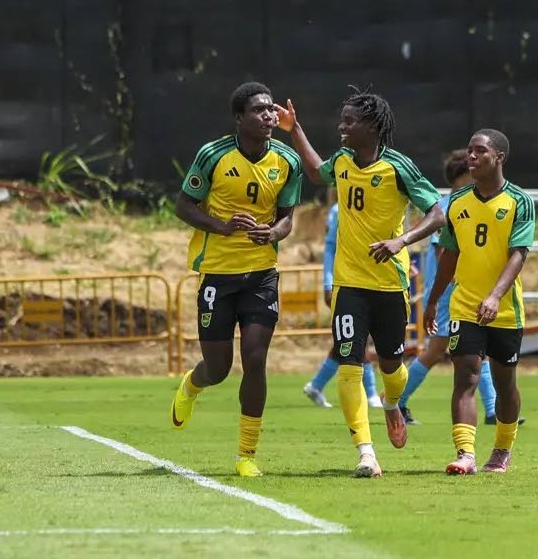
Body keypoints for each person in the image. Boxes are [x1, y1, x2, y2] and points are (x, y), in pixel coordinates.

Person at [276, 90, 445, 478]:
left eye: (349, 121)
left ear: (371, 126)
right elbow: (318, 171)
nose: (342, 126)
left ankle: (390, 404)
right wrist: (295, 129)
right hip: (349, 283)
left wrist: (400, 241)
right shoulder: (343, 162)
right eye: (342, 119)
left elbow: (437, 214)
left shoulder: (398, 167)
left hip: (390, 285)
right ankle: (366, 453)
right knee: (349, 361)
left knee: (391, 366)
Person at [170, 82, 302, 478]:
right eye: (259, 110)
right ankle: (192, 385)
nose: (268, 117)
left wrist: (274, 234)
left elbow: (287, 218)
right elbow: (183, 206)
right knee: (219, 367)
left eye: (271, 110)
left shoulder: (288, 161)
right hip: (218, 274)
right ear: (239, 118)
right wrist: (221, 227)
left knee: (256, 360)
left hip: (261, 275)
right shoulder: (213, 155)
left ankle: (247, 453)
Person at [424, 129, 534, 475]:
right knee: (466, 378)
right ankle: (466, 454)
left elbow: (518, 255)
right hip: (464, 307)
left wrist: (495, 295)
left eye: (479, 151)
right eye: (469, 151)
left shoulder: (519, 201)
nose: (471, 157)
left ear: (498, 157)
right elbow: (449, 256)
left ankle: (502, 450)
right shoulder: (456, 203)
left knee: (505, 384)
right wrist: (432, 301)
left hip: (504, 311)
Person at [399, 150, 498, 426]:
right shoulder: (447, 206)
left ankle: (492, 410)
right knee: (435, 351)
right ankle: (396, 401)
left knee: (480, 348)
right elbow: (444, 251)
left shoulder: (471, 202)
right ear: (459, 177)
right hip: (446, 294)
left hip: (464, 290)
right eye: (470, 173)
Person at [302, 200, 382, 409]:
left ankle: (316, 385)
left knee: (348, 339)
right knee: (358, 336)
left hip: (368, 280)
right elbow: (330, 247)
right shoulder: (340, 209)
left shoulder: (377, 204)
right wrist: (328, 282)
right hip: (344, 283)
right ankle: (371, 393)